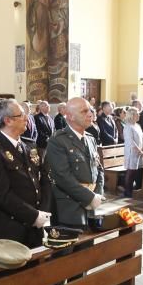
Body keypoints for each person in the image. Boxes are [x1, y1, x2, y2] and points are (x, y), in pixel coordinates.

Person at [0, 99, 51, 248]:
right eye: (22, 114)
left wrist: (42, 212)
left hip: (37, 224)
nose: (27, 117)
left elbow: (44, 179)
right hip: (13, 228)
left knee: (38, 270)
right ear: (8, 120)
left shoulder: (29, 145)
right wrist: (33, 215)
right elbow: (2, 194)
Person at [45, 97, 104, 228]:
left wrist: (97, 194)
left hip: (91, 204)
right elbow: (63, 177)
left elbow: (99, 169)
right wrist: (89, 197)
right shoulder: (58, 140)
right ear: (70, 116)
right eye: (84, 111)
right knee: (69, 247)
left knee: (89, 247)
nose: (90, 114)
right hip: (69, 207)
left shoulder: (90, 138)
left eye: (90, 110)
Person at [123, 107, 143, 198]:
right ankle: (127, 191)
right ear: (132, 115)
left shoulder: (137, 125)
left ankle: (136, 189)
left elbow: (142, 138)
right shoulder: (128, 126)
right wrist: (139, 150)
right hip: (132, 152)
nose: (139, 115)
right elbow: (130, 141)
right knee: (131, 171)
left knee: (138, 171)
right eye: (137, 114)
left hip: (139, 152)